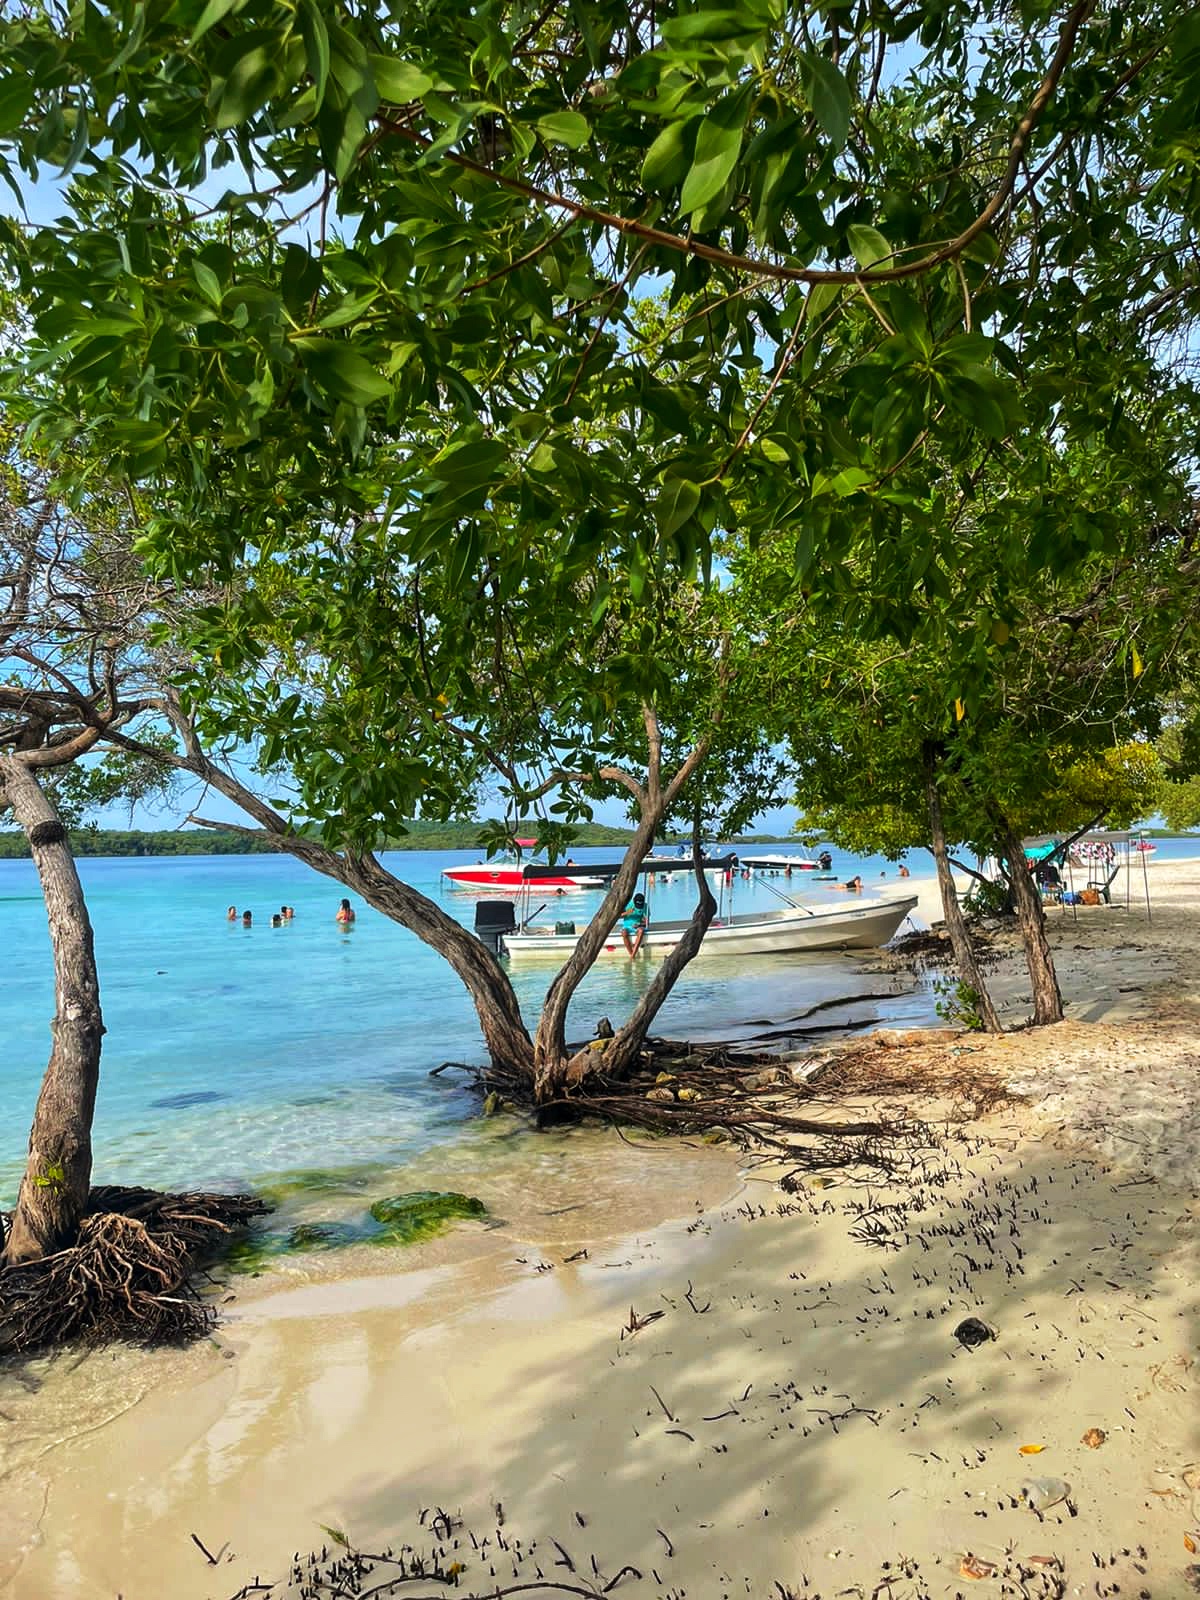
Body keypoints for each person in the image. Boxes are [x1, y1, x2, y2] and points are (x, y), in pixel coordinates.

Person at [620, 892, 648, 957]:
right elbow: (618, 916)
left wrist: (639, 924)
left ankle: (633, 954)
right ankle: (631, 954)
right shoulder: (628, 905)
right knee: (624, 933)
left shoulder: (645, 906)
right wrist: (627, 913)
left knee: (641, 931)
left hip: (638, 926)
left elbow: (646, 923)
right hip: (627, 926)